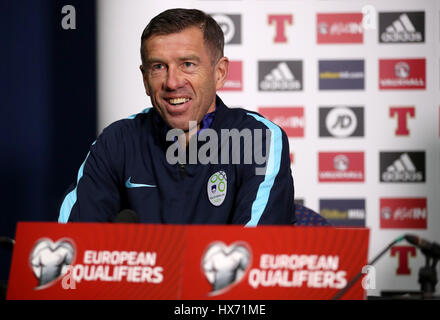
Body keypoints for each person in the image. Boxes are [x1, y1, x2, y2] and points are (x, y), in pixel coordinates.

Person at [58, 8, 295, 226]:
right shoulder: (116, 141)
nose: (172, 82)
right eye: (159, 67)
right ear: (145, 79)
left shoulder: (258, 139)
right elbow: (68, 248)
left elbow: (253, 255)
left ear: (219, 73)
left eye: (188, 64)